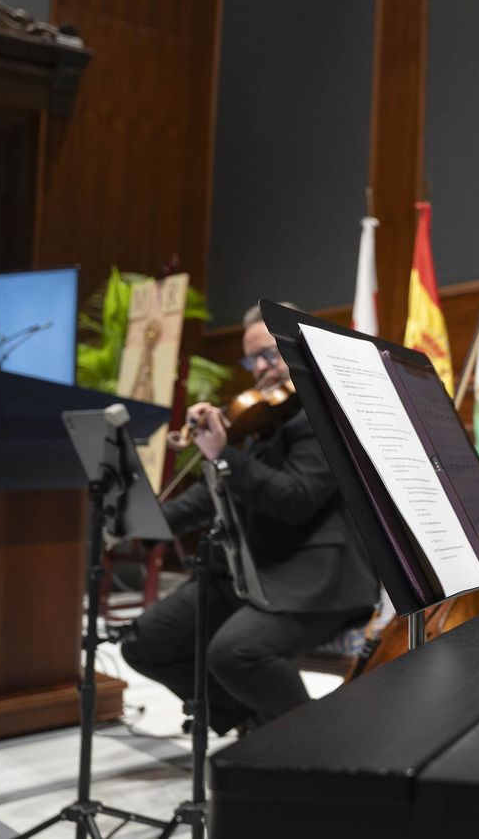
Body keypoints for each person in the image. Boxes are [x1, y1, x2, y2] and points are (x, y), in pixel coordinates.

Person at [121, 302, 377, 735]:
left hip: (313, 576)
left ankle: (316, 745)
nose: (259, 368)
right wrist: (145, 524)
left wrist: (225, 454)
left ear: (297, 348)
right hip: (254, 572)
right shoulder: (265, 417)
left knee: (236, 652)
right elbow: (215, 493)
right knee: (144, 643)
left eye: (269, 354)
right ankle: (255, 722)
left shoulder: (326, 413)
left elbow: (296, 499)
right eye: (251, 359)